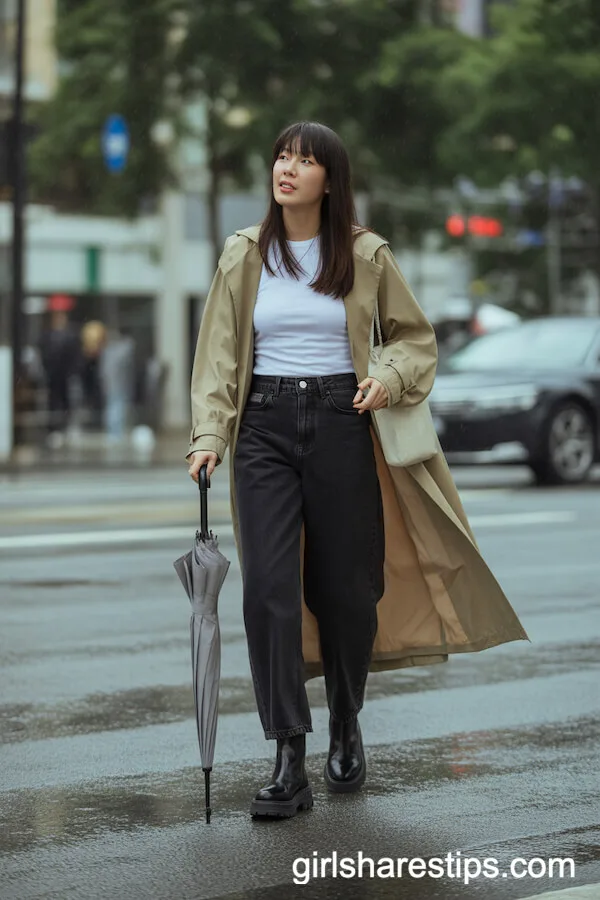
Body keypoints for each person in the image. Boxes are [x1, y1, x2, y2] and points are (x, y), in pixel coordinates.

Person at [186, 121, 528, 819]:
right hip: (264, 432)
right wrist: (208, 433)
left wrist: (388, 378)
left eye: (304, 161)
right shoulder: (243, 254)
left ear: (329, 181)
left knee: (347, 591)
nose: (287, 168)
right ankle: (289, 751)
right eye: (282, 155)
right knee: (269, 592)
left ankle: (345, 718)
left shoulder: (366, 254)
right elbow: (219, 352)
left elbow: (413, 338)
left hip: (344, 423)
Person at [39, 307, 80, 448]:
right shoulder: (48, 336)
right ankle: (54, 430)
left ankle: (65, 428)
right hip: (53, 376)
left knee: (66, 402)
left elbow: (74, 356)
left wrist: (72, 371)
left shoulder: (70, 336)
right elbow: (44, 355)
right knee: (53, 402)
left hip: (66, 376)